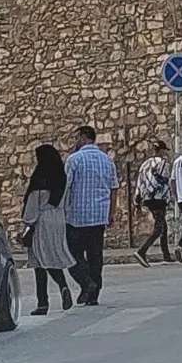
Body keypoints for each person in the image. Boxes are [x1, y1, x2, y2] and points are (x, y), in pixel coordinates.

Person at [63, 125, 118, 306]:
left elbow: (66, 187)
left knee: (71, 254)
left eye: (77, 138)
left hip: (77, 216)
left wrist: (62, 210)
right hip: (99, 216)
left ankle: (87, 283)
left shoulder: (74, 160)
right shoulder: (107, 160)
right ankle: (93, 293)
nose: (75, 142)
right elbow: (113, 188)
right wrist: (111, 213)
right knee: (95, 256)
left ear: (85, 138)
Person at [20, 144, 74, 316]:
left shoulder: (40, 179)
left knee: (39, 261)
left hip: (42, 220)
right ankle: (63, 285)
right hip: (58, 219)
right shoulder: (61, 177)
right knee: (51, 256)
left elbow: (32, 209)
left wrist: (26, 225)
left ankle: (43, 302)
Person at [134, 142, 173, 267]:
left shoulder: (144, 164)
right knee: (159, 227)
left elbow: (139, 182)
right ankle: (142, 250)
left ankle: (166, 254)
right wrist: (169, 197)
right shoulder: (162, 164)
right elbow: (166, 182)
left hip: (147, 197)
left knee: (162, 224)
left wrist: (138, 200)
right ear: (161, 150)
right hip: (158, 197)